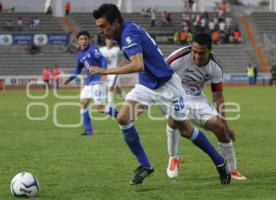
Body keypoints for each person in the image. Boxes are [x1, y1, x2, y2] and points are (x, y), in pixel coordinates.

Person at [90, 4, 231, 185]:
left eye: (103, 26)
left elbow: (138, 64)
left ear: (115, 22)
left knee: (186, 130)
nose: (100, 30)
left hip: (168, 86)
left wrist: (105, 71)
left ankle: (220, 162)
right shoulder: (122, 33)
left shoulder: (128, 34)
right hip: (147, 85)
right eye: (98, 26)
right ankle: (145, 166)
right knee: (123, 118)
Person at [165, 32, 246, 181]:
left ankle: (233, 169)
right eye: (194, 51)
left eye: (201, 53)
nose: (196, 56)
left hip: (198, 99)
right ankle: (173, 158)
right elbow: (160, 73)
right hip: (176, 95)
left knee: (218, 127)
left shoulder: (215, 67)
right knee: (175, 119)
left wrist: (226, 126)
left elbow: (218, 97)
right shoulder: (178, 57)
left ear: (210, 50)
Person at [64, 31, 118, 136]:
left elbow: (103, 61)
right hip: (89, 82)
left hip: (98, 80)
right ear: (78, 41)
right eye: (81, 39)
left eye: (85, 39)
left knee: (100, 108)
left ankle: (121, 116)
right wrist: (69, 79)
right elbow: (77, 69)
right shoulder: (80, 54)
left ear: (89, 40)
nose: (83, 41)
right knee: (83, 104)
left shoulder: (93, 49)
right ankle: (89, 131)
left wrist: (104, 72)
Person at [100, 38, 126, 106]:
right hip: (106, 71)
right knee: (118, 89)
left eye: (111, 40)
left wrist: (121, 63)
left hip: (115, 71)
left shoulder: (116, 49)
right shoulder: (101, 50)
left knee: (110, 87)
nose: (109, 41)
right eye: (108, 40)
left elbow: (124, 55)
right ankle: (126, 98)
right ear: (105, 40)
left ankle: (110, 105)